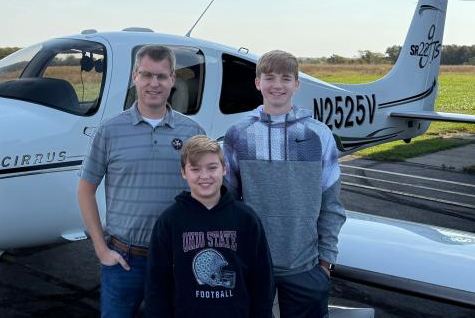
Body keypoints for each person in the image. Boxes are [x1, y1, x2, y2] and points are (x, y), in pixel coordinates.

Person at [78, 45, 206, 318]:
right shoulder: (110, 131)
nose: (154, 83)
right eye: (146, 75)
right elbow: (85, 190)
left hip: (175, 258)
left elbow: (206, 194)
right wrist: (101, 249)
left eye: (162, 76)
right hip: (124, 259)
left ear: (173, 79)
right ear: (135, 76)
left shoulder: (192, 132)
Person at [223, 49, 346, 318]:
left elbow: (332, 205)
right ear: (257, 83)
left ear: (297, 84)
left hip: (305, 268)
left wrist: (325, 264)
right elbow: (227, 204)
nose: (277, 85)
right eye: (269, 78)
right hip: (252, 267)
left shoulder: (319, 135)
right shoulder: (237, 135)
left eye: (285, 78)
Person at [145, 135, 274, 318]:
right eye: (195, 169)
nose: (204, 176)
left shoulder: (247, 218)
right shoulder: (170, 221)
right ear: (183, 172)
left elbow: (262, 280)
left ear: (224, 169)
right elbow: (156, 284)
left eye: (212, 168)